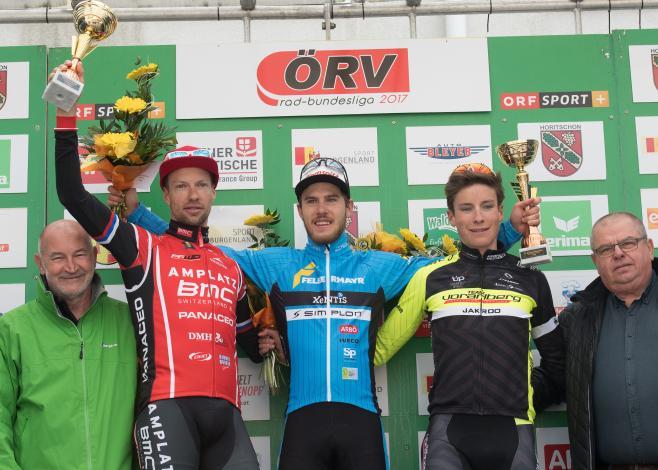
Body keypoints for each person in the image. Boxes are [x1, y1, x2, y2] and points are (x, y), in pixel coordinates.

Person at [120, 155, 540, 470]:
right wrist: (137, 214)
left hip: (363, 423)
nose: (322, 208)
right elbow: (199, 249)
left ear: (348, 207)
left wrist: (508, 230)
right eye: (311, 200)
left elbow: (453, 265)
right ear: (300, 210)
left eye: (332, 199)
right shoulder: (274, 265)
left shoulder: (379, 267)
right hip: (302, 422)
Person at [51, 60, 264, 470]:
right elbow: (72, 194)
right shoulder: (141, 247)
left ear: (213, 194)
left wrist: (268, 339)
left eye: (202, 184)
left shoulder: (230, 267)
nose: (193, 194)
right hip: (167, 411)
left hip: (228, 419)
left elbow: (249, 344)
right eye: (181, 186)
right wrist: (65, 106)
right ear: (165, 196)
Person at [374, 163, 564, 470]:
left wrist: (524, 395)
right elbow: (381, 348)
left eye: (486, 206)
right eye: (466, 208)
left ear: (500, 212)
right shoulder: (430, 277)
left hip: (514, 428)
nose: (477, 217)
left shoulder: (530, 278)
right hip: (449, 430)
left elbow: (557, 362)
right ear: (451, 217)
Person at [0, 220, 136, 469]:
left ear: (94, 257)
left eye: (80, 254)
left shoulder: (129, 323)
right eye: (58, 257)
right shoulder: (12, 328)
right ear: (41, 264)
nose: (71, 267)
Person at [558, 212, 658, 470]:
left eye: (628, 243)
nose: (618, 254)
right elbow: (554, 378)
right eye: (605, 249)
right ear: (595, 260)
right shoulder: (577, 318)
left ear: (648, 248)